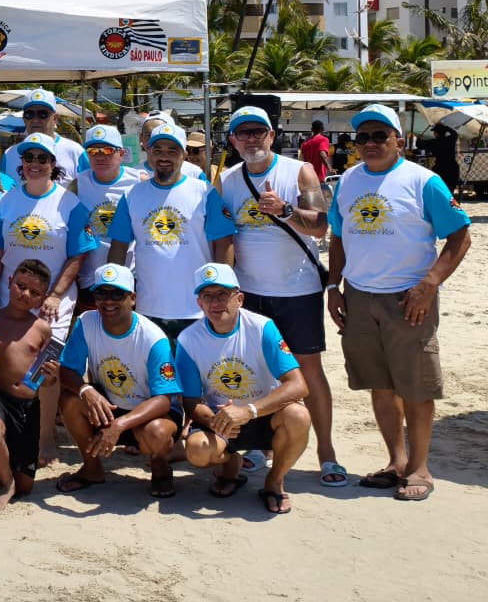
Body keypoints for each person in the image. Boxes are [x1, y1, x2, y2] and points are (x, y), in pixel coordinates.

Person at [327, 103, 471, 503]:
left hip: (409, 297)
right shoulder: (347, 181)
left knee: (416, 385)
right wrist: (334, 286)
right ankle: (396, 461)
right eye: (362, 137)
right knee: (380, 383)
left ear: (400, 141)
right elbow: (338, 236)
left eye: (380, 135)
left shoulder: (424, 181)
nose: (370, 143)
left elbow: (460, 235)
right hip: (359, 296)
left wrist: (430, 283)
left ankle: (420, 468)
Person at [218, 105, 344, 486]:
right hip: (249, 293)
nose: (251, 139)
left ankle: (327, 453)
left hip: (297, 290)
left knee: (309, 371)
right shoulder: (226, 180)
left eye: (258, 132)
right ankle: (260, 445)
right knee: (258, 373)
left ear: (272, 136)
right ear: (233, 140)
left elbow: (321, 227)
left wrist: (286, 210)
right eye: (243, 133)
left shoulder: (299, 171)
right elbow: (221, 235)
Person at [0, 131, 98, 465]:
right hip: (12, 297)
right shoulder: (5, 202)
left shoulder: (71, 204)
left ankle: (44, 438)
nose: (34, 164)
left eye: (42, 158)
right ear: (21, 163)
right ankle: (12, 434)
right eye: (28, 158)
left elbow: (78, 255)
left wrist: (56, 295)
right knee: (8, 364)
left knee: (44, 369)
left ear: (53, 164)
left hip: (54, 303)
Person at [178, 263, 311, 514]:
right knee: (196, 451)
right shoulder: (188, 339)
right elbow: (191, 401)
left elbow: (298, 385)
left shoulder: (262, 328)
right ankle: (231, 465)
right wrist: (216, 420)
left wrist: (248, 411)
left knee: (298, 416)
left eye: (222, 294)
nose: (215, 303)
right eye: (207, 296)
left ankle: (275, 481)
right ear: (199, 304)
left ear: (239, 299)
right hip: (221, 418)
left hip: (264, 413)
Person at [56, 264, 182, 499]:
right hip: (110, 406)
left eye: (117, 294)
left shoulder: (153, 338)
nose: (108, 301)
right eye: (101, 293)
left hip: (148, 412)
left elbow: (164, 399)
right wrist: (85, 390)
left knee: (157, 433)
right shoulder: (86, 322)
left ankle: (160, 467)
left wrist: (120, 425)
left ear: (132, 298)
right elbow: (66, 370)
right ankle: (92, 469)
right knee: (70, 399)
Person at [106, 122, 235, 345]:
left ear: (184, 154)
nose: (164, 156)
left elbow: (224, 243)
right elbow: (118, 247)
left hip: (198, 308)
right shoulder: (132, 195)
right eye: (158, 150)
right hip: (149, 309)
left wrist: (221, 291)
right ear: (148, 152)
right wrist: (114, 290)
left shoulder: (204, 193)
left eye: (172, 150)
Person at [0, 259, 56, 511]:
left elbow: (47, 380)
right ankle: (6, 483)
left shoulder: (42, 329)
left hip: (27, 406)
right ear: (9, 282)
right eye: (21, 286)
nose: (25, 294)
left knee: (26, 486)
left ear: (43, 298)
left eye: (35, 292)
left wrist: (52, 375)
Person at [70, 124, 144, 313]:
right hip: (90, 278)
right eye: (93, 151)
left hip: (130, 277)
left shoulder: (138, 182)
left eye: (107, 150)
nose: (100, 157)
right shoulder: (77, 184)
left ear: (121, 154)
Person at [1, 89, 82, 187]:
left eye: (42, 114)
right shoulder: (9, 154)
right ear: (24, 119)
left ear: (55, 118)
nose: (35, 120)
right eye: (29, 114)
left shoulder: (75, 152)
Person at [138, 115, 208, 182]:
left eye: (171, 151)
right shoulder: (134, 175)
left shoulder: (195, 173)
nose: (163, 157)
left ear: (184, 154)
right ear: (141, 138)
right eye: (149, 135)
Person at [419, 121, 461, 199]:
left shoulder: (433, 142)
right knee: (450, 192)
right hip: (453, 169)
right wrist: (445, 127)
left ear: (436, 133)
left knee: (440, 190)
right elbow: (455, 133)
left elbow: (419, 144)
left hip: (440, 169)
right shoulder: (450, 140)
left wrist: (419, 137)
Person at [301, 119, 333, 193]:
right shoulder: (323, 139)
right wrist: (330, 168)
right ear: (322, 129)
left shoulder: (306, 142)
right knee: (322, 198)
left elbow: (302, 159)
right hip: (318, 179)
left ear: (312, 129)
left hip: (307, 177)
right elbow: (322, 153)